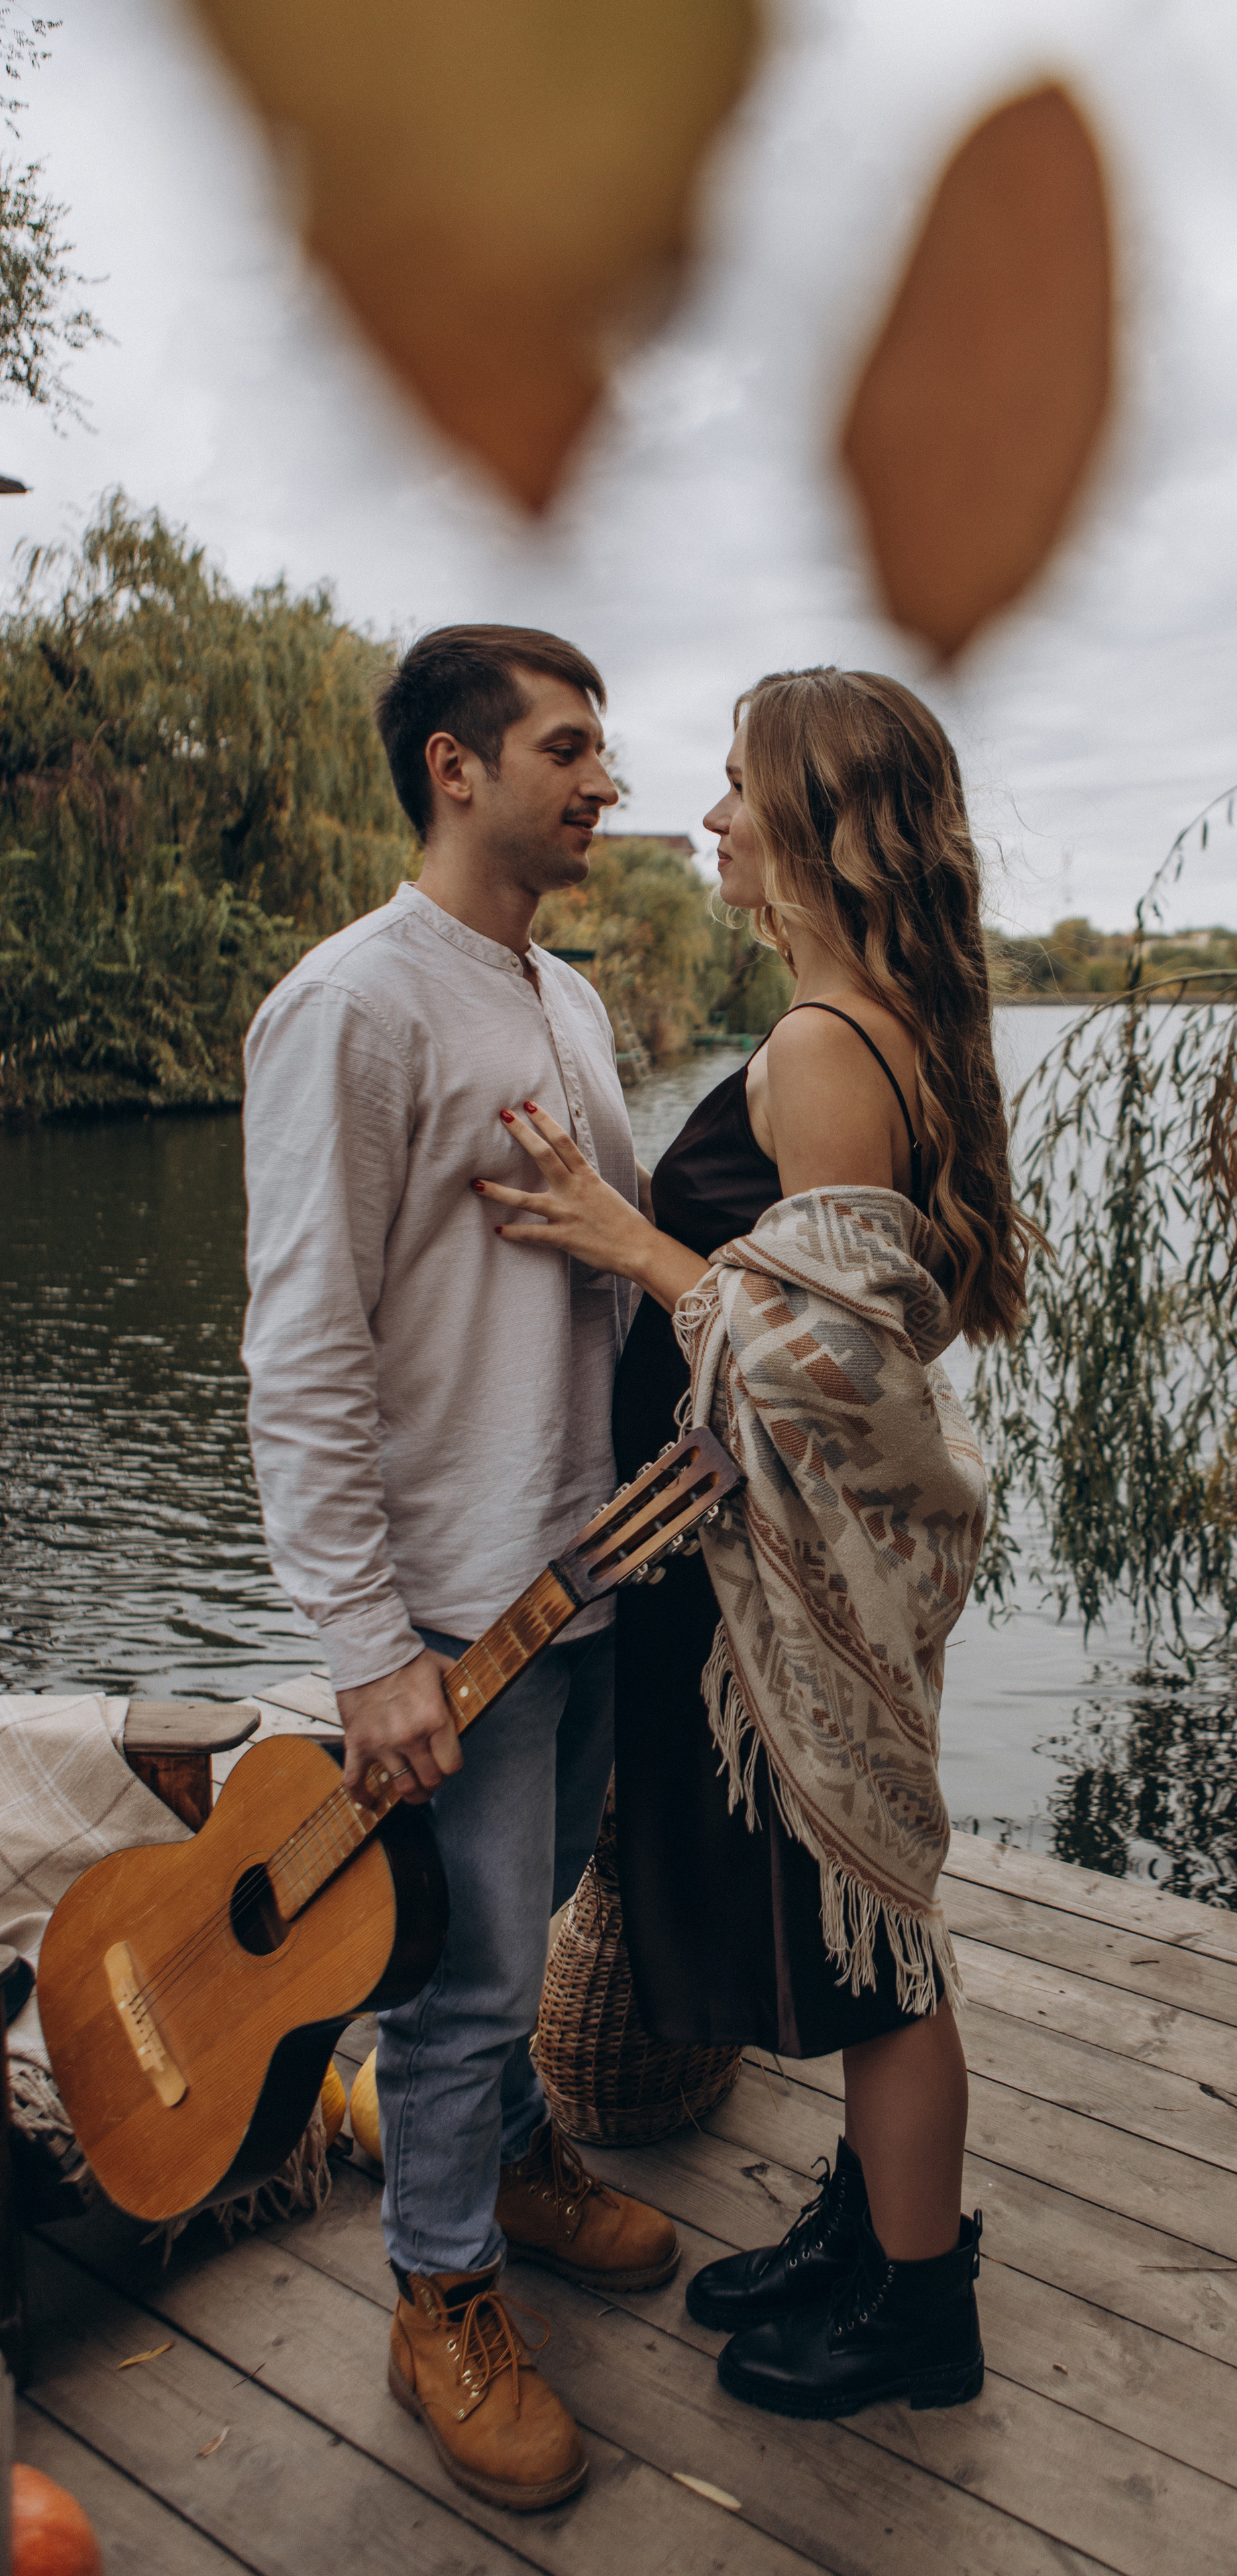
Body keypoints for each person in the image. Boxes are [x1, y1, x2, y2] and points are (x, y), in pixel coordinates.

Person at [471, 665, 1034, 2421]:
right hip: (764, 1573)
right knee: (858, 1931)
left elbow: (827, 1368)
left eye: (732, 786)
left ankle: (917, 2310)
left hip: (790, 1590)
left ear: (810, 820)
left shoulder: (820, 1046)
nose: (703, 814)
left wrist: (614, 1237)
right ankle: (873, 2226)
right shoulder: (877, 1023)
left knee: (877, 1952)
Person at [241, 625, 678, 2516]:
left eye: (606, 748)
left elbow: (618, 1249)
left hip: (577, 1576)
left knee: (517, 1940)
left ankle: (507, 2155)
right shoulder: (353, 1006)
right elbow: (302, 1345)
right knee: (465, 1971)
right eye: (571, 748)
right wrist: (364, 1647)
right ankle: (443, 2292)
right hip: (445, 1606)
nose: (606, 782)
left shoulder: (565, 1001)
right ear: (455, 767)